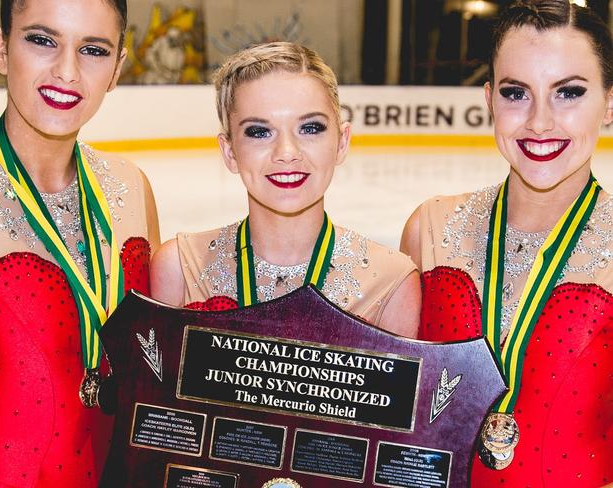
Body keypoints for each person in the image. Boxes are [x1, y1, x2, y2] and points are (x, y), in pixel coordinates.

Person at [401, 0, 613, 485]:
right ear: (489, 99)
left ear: (610, 102)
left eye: (570, 93)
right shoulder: (430, 228)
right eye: (517, 93)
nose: (539, 122)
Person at [0, 0, 160, 486]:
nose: (67, 71)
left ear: (117, 68)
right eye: (41, 40)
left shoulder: (132, 186)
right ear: (0, 48)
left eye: (93, 49)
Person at [151, 42, 420, 336]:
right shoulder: (179, 268)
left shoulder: (393, 283)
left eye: (310, 128)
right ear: (229, 152)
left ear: (342, 142)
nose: (287, 152)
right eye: (259, 132)